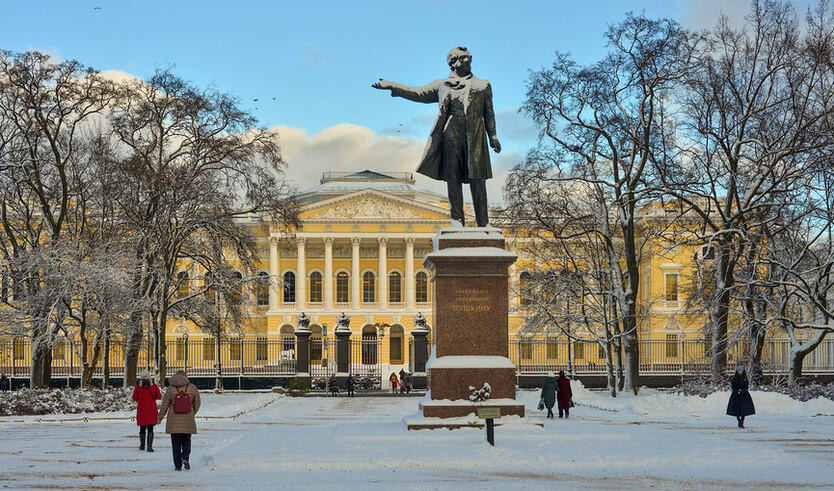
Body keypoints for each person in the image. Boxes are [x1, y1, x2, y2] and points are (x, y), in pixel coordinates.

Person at [373, 46, 501, 227]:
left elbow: (489, 113)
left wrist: (493, 136)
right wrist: (394, 86)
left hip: (476, 136)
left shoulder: (483, 85)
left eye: (469, 58)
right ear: (454, 63)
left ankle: (484, 223)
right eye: (464, 58)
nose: (468, 61)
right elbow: (417, 93)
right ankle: (457, 221)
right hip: (451, 133)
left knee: (478, 180)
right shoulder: (442, 85)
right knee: (453, 178)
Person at [158, 370, 201, 471]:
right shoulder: (192, 387)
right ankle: (185, 457)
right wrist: (192, 412)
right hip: (188, 419)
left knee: (175, 443)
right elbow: (197, 403)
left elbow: (165, 404)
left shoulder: (170, 389)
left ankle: (178, 466)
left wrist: (160, 417)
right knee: (187, 440)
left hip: (174, 420)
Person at [132, 369, 161, 452]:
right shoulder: (154, 386)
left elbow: (134, 398)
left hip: (142, 410)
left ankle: (142, 445)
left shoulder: (138, 387)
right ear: (149, 377)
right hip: (151, 409)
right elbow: (158, 396)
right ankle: (149, 447)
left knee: (142, 428)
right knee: (151, 428)